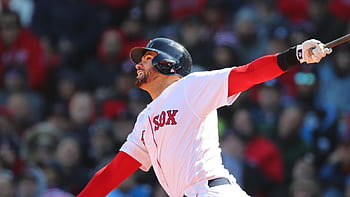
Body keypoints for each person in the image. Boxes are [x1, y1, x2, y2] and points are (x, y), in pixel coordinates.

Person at [77, 37, 331, 197]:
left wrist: (294, 55)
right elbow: (113, 173)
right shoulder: (144, 119)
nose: (138, 65)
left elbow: (247, 74)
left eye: (147, 58)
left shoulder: (191, 86)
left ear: (168, 64)